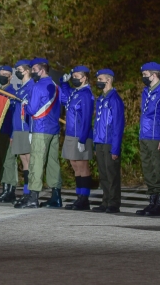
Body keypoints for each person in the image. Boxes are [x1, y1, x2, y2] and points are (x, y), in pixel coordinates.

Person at [15, 58, 62, 209]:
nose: (33, 72)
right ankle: (56, 197)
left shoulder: (37, 87)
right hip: (54, 129)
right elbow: (64, 102)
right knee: (53, 163)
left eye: (34, 70)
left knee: (36, 162)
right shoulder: (55, 86)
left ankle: (33, 197)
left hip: (40, 129)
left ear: (41, 70)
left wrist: (25, 105)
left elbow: (32, 109)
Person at [136, 62, 160, 216]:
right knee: (148, 169)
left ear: (154, 75)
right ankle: (152, 201)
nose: (143, 78)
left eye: (145, 75)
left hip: (156, 136)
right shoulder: (146, 92)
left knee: (159, 169)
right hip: (144, 135)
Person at [60, 65, 95, 210]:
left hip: (81, 135)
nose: (74, 78)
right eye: (73, 76)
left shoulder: (86, 94)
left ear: (85, 78)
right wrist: (63, 83)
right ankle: (79, 196)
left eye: (77, 76)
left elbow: (87, 118)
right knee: (75, 164)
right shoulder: (75, 92)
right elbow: (64, 97)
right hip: (70, 133)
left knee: (82, 166)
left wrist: (82, 139)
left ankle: (84, 199)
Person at [91, 69, 124, 213]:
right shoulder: (101, 98)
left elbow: (118, 124)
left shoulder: (114, 99)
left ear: (108, 80)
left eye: (100, 79)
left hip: (110, 141)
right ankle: (105, 200)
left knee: (112, 173)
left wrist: (115, 147)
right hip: (100, 141)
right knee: (103, 173)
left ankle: (114, 202)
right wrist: (95, 142)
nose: (98, 82)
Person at [0, 65, 19, 203]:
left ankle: (10, 190)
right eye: (1, 73)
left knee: (8, 161)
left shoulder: (12, 93)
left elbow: (15, 116)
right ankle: (4, 188)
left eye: (6, 74)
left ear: (11, 77)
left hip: (8, 131)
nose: (3, 76)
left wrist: (13, 134)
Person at [10, 59, 35, 206]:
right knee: (24, 161)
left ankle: (32, 192)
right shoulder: (19, 88)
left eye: (19, 69)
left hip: (27, 128)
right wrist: (13, 134)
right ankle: (26, 191)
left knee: (30, 160)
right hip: (18, 129)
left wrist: (32, 130)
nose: (18, 72)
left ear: (26, 70)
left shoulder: (32, 87)